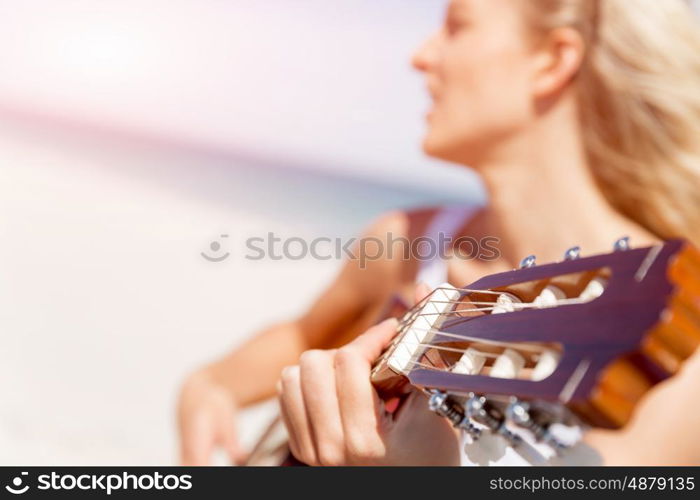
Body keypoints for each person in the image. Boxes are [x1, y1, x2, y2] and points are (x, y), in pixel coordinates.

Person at [178, 0, 700, 466]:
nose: (421, 57)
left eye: (457, 25)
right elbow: (305, 336)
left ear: (552, 60)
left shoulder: (682, 343)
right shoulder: (409, 241)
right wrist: (212, 383)